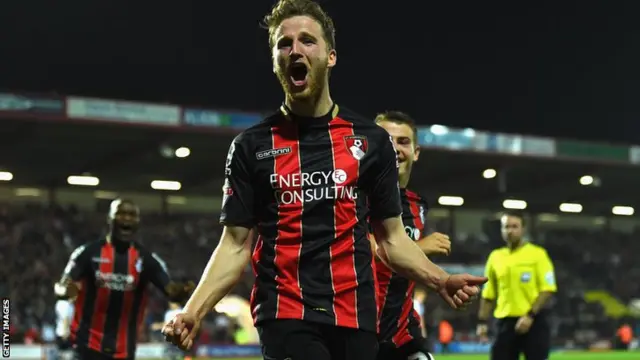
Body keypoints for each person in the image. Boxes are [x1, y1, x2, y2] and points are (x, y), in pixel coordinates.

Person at [161, 1, 487, 359]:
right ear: (275, 61)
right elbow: (235, 245)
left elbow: (393, 239)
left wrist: (440, 280)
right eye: (283, 44)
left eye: (306, 41)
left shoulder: (370, 141)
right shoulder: (251, 147)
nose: (294, 50)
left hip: (357, 317)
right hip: (285, 312)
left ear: (330, 57)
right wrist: (193, 310)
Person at [54, 199, 194, 360]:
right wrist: (64, 291)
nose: (126, 218)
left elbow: (170, 290)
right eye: (121, 214)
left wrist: (181, 292)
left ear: (138, 221)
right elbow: (61, 285)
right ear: (109, 218)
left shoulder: (147, 259)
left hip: (124, 351)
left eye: (132, 215)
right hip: (86, 347)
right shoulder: (87, 253)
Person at [372, 111, 452, 360]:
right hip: (357, 329)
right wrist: (420, 248)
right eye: (385, 140)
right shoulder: (352, 196)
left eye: (403, 142)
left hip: (402, 331)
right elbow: (355, 254)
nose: (394, 148)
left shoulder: (418, 206)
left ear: (416, 152)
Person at [476, 211, 557, 360]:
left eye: (514, 226)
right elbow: (488, 293)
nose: (510, 231)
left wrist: (530, 315)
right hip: (505, 323)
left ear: (523, 229)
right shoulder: (496, 257)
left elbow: (547, 288)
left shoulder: (538, 254)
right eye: (506, 227)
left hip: (534, 322)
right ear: (501, 230)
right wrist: (482, 322)